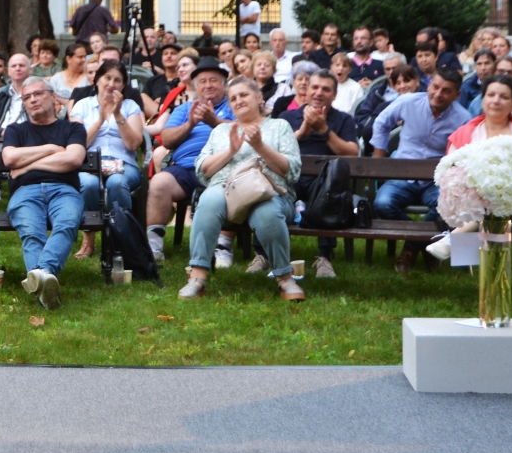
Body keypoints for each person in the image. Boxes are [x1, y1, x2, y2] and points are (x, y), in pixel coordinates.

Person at [179, 76, 303, 301]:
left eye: (244, 95)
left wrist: (260, 146)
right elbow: (203, 170)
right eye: (233, 98)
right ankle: (197, 277)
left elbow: (291, 171)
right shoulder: (221, 131)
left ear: (259, 97)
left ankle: (285, 278)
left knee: (266, 212)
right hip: (226, 190)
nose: (238, 101)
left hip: (270, 192)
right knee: (208, 200)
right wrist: (230, 151)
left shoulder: (279, 126)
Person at [370, 66, 469, 271]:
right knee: (382, 203)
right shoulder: (409, 101)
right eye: (435, 87)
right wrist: (379, 161)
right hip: (401, 176)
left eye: (446, 91)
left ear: (457, 95)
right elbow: (381, 122)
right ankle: (426, 245)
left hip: (437, 180)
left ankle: (411, 248)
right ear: (429, 84)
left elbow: (465, 155)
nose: (438, 94)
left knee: (450, 206)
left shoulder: (463, 119)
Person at [1, 77, 88, 310]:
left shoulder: (72, 128)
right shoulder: (16, 130)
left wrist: (27, 166)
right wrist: (51, 149)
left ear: (53, 97)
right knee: (31, 232)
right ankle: (46, 282)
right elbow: (10, 158)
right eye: (27, 97)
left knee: (67, 223)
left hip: (64, 190)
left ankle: (41, 275)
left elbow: (73, 159)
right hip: (25, 191)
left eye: (38, 94)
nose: (32, 100)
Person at [143, 60, 234, 258]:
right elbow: (166, 139)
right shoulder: (184, 109)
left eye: (213, 80)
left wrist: (215, 122)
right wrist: (190, 124)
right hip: (185, 169)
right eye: (202, 81)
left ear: (224, 84)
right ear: (196, 86)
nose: (208, 85)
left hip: (222, 167)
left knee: (233, 185)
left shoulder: (234, 106)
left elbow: (242, 133)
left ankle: (223, 247)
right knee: (159, 182)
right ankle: (154, 246)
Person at [282, 69, 358, 279]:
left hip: (324, 182)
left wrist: (324, 130)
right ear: (306, 90)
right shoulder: (287, 117)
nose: (318, 93)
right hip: (292, 178)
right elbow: (274, 149)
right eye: (314, 87)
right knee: (270, 194)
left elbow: (352, 153)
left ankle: (324, 257)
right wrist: (301, 134)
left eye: (326, 89)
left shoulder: (343, 119)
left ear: (334, 95)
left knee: (330, 191)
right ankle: (263, 254)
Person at [71, 59, 145, 258]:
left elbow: (133, 145)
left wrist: (118, 114)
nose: (111, 84)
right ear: (97, 80)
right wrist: (100, 121)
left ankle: (121, 241)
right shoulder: (82, 106)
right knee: (88, 184)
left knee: (117, 183)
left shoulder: (130, 106)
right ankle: (88, 239)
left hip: (124, 165)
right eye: (107, 78)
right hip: (89, 165)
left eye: (117, 80)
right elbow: (77, 144)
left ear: (123, 85)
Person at [327, 50, 365, 114]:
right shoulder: (326, 85)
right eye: (337, 65)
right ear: (331, 67)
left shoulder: (356, 87)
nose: (341, 68)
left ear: (350, 70)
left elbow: (358, 109)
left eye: (344, 66)